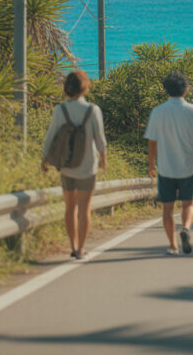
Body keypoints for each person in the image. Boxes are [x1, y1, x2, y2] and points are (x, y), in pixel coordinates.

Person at [145, 71, 193, 256]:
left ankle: (173, 246)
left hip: (166, 168)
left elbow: (152, 141)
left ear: (166, 90)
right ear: (186, 89)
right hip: (189, 167)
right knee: (188, 205)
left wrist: (151, 164)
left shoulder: (158, 111)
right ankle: (186, 228)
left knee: (167, 208)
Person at [41, 70, 107, 260]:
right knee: (84, 209)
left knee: (70, 208)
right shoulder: (93, 110)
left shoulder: (60, 110)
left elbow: (51, 136)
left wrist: (44, 159)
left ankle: (73, 245)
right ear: (85, 87)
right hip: (88, 168)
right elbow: (100, 139)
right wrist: (103, 158)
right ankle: (81, 249)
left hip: (67, 167)